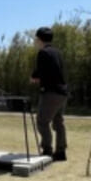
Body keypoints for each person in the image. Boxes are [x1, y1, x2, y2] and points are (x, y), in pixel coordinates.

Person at [31, 26, 68, 161]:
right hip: (62, 92)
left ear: (40, 40)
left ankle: (47, 150)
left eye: (36, 39)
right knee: (58, 122)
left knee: (42, 121)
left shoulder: (43, 53)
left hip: (51, 92)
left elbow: (41, 71)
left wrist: (34, 77)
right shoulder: (57, 52)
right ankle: (61, 151)